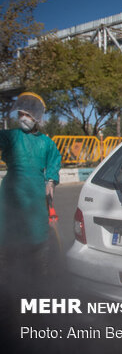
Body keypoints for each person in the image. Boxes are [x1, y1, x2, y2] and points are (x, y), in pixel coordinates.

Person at [0, 92, 61, 283]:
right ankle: (7, 274)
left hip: (35, 192)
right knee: (8, 231)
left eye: (26, 114)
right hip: (11, 192)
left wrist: (50, 181)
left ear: (36, 117)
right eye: (20, 114)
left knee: (36, 233)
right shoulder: (11, 136)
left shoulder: (46, 142)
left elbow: (54, 161)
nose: (22, 118)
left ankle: (36, 275)